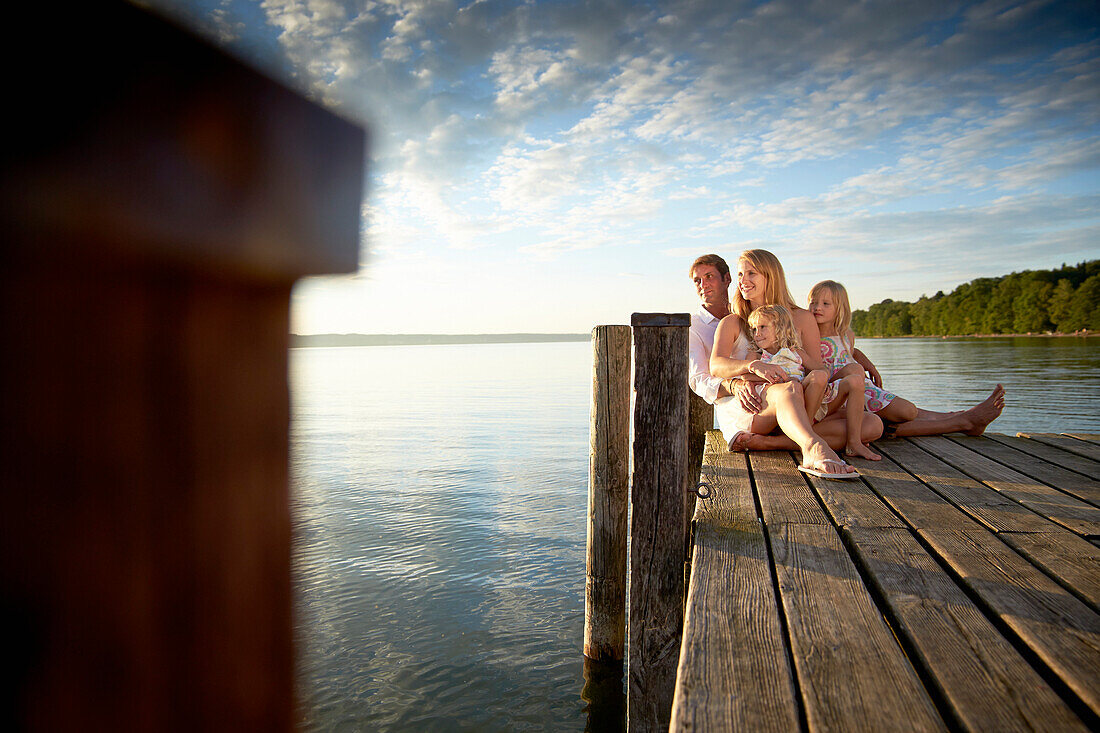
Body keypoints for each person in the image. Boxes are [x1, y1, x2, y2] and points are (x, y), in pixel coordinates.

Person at [689, 254, 866, 478]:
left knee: (870, 425)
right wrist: (753, 367)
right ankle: (812, 447)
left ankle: (772, 442)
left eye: (751, 273)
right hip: (755, 406)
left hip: (800, 400)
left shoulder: (801, 317)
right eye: (741, 274)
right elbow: (716, 365)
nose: (743, 280)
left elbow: (817, 368)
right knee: (787, 389)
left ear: (771, 276)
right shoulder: (734, 321)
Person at [808, 280, 1005, 437]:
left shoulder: (846, 335)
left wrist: (870, 367)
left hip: (861, 387)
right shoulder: (809, 334)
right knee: (907, 412)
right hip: (839, 392)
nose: (817, 307)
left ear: (840, 308)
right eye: (813, 302)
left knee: (906, 411)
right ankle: (963, 420)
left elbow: (852, 352)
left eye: (825, 304)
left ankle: (959, 417)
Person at [749, 304, 881, 461]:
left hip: (809, 404)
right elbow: (745, 376)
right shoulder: (757, 356)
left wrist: (823, 383)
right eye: (754, 329)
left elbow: (822, 370)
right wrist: (780, 378)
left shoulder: (796, 352)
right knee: (812, 379)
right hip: (784, 410)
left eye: (762, 327)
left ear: (780, 328)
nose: (757, 334)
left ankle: (853, 443)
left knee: (855, 380)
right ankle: (805, 433)